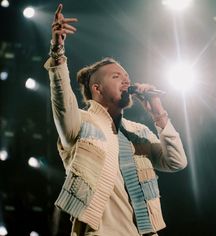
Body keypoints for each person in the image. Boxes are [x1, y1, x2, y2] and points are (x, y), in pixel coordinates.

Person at [44, 4, 187, 236]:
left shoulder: (138, 131)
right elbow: (62, 100)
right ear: (97, 88)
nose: (126, 80)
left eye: (127, 76)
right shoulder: (81, 122)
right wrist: (57, 51)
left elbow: (176, 162)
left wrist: (158, 115)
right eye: (116, 76)